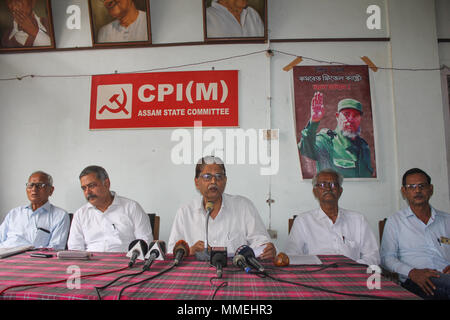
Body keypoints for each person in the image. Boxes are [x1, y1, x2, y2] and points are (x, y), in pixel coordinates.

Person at [168, 156, 276, 259]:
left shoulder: (243, 207)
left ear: (225, 180)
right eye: (207, 177)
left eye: (219, 176)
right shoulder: (185, 213)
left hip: (236, 273)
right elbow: (170, 253)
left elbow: (261, 243)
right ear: (197, 182)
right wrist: (189, 251)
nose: (213, 181)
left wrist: (267, 249)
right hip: (196, 274)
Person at [285, 168, 380, 266]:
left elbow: (373, 256)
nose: (328, 188)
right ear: (315, 191)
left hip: (352, 274)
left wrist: (352, 267)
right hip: (316, 275)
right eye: (322, 185)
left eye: (333, 184)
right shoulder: (303, 221)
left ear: (340, 191)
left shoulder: (358, 220)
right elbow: (291, 256)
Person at [380, 168, 450, 299]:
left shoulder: (447, 220)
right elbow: (386, 258)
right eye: (411, 187)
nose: (417, 191)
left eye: (422, 186)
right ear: (404, 191)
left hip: (445, 277)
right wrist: (412, 272)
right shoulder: (395, 221)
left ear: (431, 189)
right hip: (414, 280)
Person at [67, 165, 153, 252]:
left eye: (92, 186)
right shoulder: (80, 214)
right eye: (84, 188)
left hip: (126, 261)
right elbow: (75, 249)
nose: (87, 192)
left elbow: (145, 242)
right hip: (90, 262)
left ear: (107, 183)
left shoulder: (132, 208)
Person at [298, 92, 374, 178]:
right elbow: (305, 149)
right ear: (337, 116)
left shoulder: (364, 146)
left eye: (356, 115)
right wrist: (314, 121)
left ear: (360, 119)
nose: (351, 119)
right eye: (346, 114)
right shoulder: (326, 141)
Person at [0, 171, 69, 250]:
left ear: (51, 190)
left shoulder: (60, 215)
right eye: (30, 185)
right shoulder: (14, 213)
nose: (34, 189)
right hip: (4, 254)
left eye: (39, 185)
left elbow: (55, 248)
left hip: (30, 258)